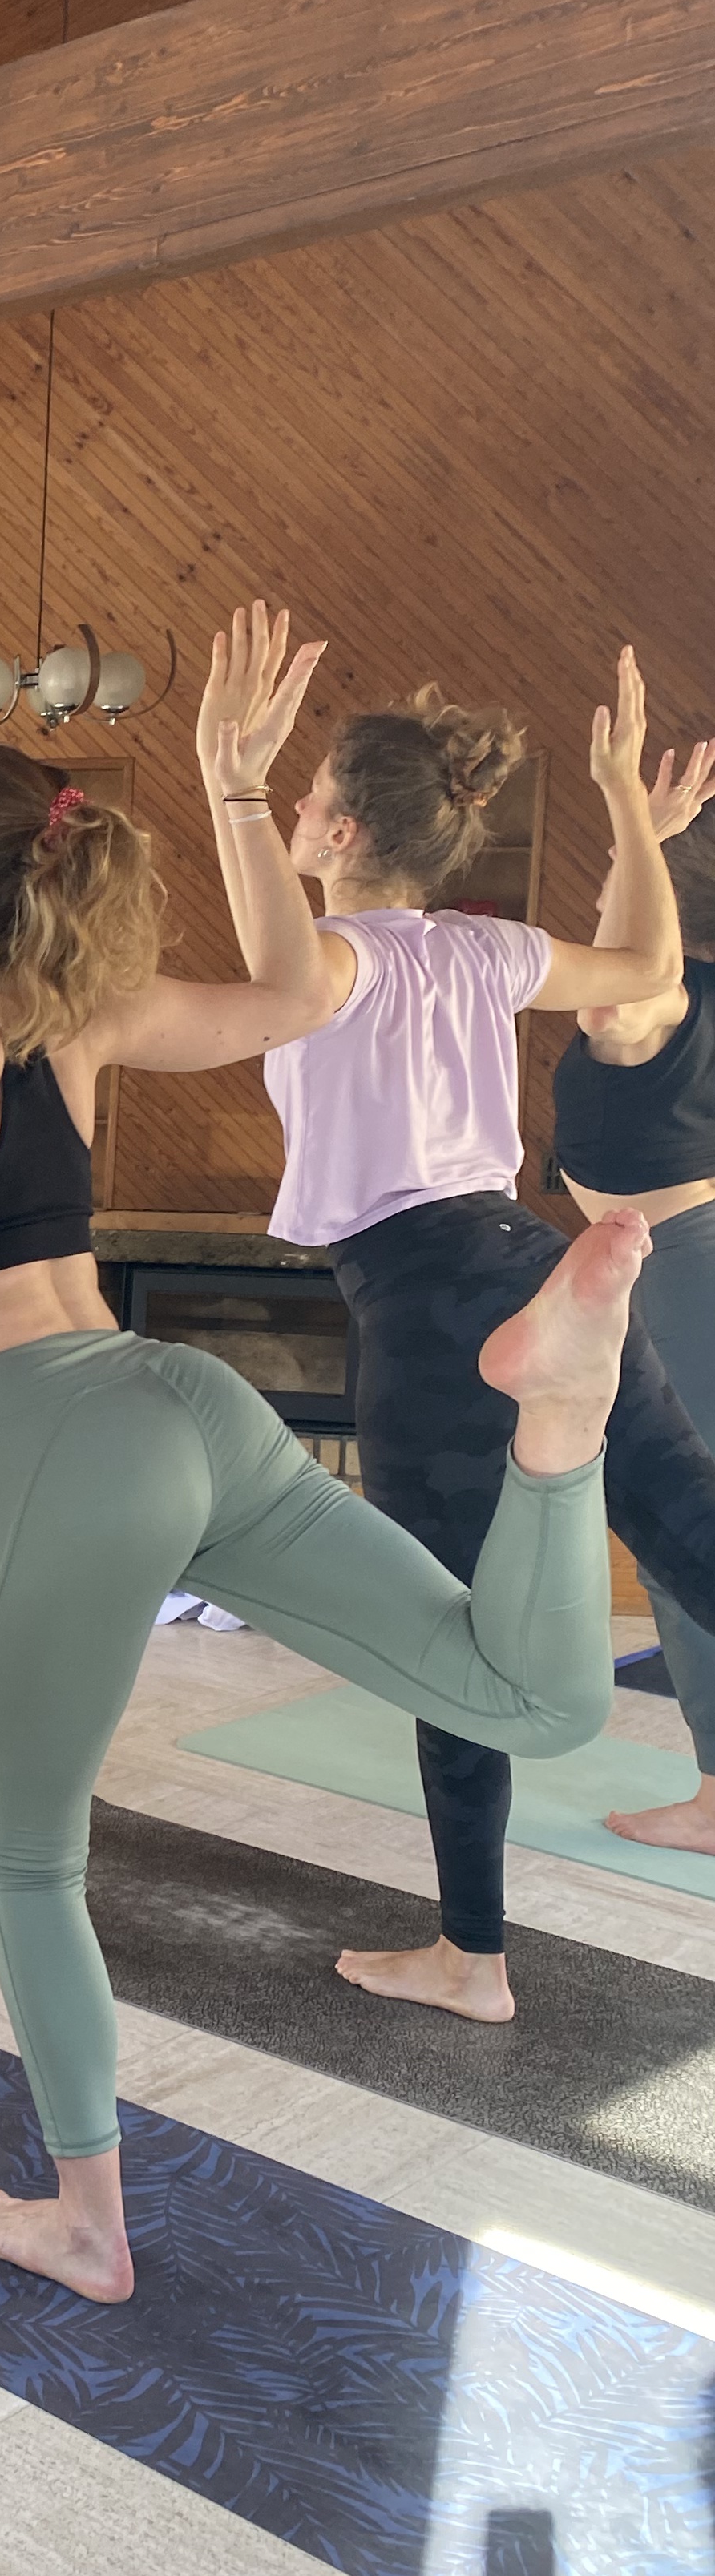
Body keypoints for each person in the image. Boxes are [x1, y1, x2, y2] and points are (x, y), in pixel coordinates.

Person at [0, 558, 632, 2303]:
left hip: (43, 1442)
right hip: (183, 1405)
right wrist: (235, 794)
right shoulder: (78, 1020)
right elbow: (299, 993)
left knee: (29, 1855)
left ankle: (88, 2221)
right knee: (530, 1699)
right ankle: (554, 1434)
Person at [208, 640, 715, 2015]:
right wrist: (628, 807)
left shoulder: (325, 963)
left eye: (309, 794)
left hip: (424, 1304)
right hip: (529, 1259)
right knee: (686, 1529)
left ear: (340, 830)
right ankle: (464, 1954)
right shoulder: (484, 948)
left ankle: (470, 1959)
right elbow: (644, 959)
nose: (296, 806)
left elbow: (272, 966)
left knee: (453, 1642)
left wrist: (230, 788)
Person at [546, 760, 715, 1853]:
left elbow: (613, 990)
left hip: (683, 1271)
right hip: (677, 1261)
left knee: (683, 1534)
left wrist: (627, 819)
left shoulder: (664, 994)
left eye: (625, 876)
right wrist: (637, 836)